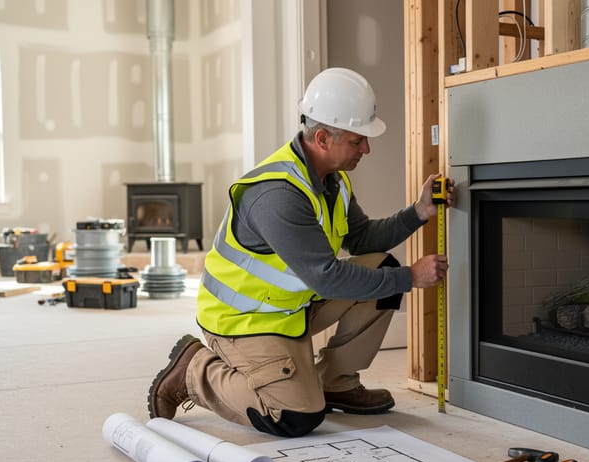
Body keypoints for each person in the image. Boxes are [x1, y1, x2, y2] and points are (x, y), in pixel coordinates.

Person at [146, 67, 453, 438]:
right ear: (323, 137)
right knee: (294, 416)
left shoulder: (332, 180)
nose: (366, 149)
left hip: (293, 306)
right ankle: (195, 371)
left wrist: (418, 212)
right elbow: (327, 276)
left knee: (382, 271)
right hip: (245, 321)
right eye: (358, 141)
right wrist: (411, 277)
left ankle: (336, 382)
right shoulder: (278, 195)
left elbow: (361, 239)